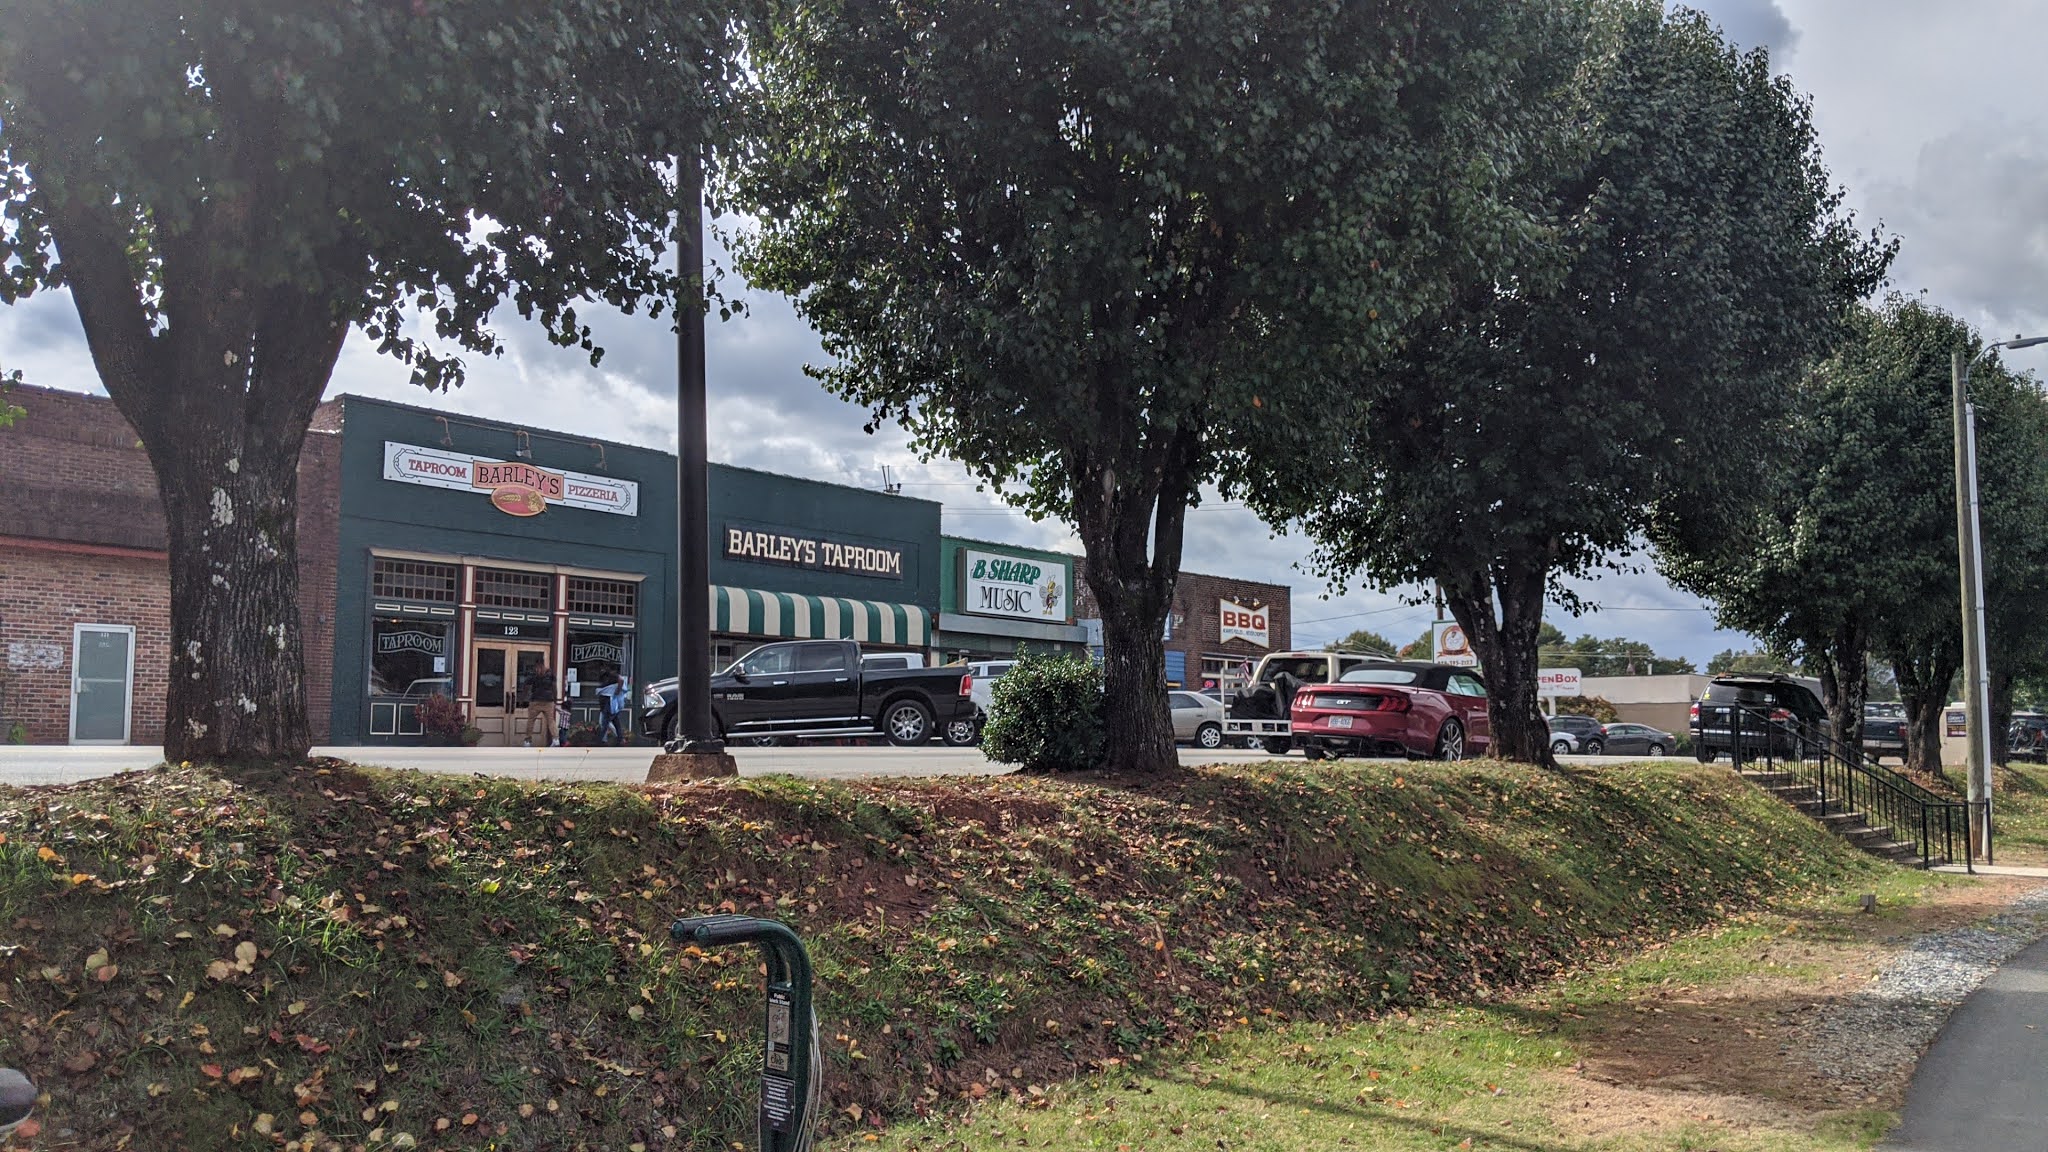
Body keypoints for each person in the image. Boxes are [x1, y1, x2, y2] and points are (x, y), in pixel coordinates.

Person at [522, 659, 557, 747]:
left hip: (535, 700)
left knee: (531, 721)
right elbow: (554, 687)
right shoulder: (550, 674)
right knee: (551, 721)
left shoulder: (533, 674)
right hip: (548, 701)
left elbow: (526, 686)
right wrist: (555, 698)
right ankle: (555, 739)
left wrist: (523, 698)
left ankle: (527, 741)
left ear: (536, 665)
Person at [596, 668, 628, 746]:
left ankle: (601, 741)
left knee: (605, 723)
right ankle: (620, 739)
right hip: (608, 704)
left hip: (609, 704)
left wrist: (617, 691)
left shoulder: (612, 676)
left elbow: (621, 680)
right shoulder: (608, 680)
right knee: (615, 723)